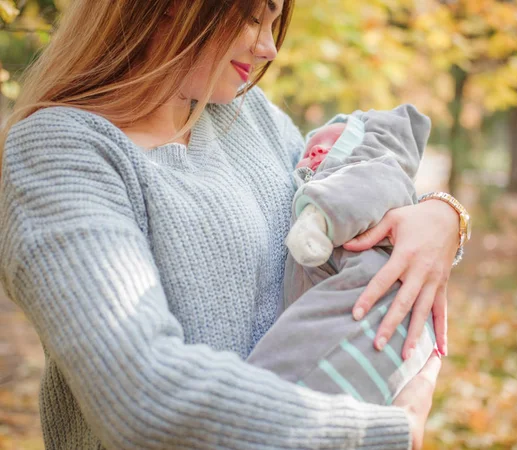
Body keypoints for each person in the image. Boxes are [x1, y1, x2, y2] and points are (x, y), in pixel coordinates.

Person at [0, 1, 467, 449]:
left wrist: (442, 215)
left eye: (274, 22)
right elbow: (142, 395)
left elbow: (345, 207)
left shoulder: (248, 116)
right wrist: (388, 432)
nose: (269, 48)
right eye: (251, 19)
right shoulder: (59, 151)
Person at [248, 105, 438, 404]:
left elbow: (372, 183)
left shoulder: (372, 173)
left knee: (269, 389)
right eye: (310, 147)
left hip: (377, 315)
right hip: (346, 349)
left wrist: (321, 217)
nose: (315, 150)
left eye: (333, 142)